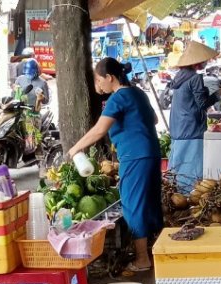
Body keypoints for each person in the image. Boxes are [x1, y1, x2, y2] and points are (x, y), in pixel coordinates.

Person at [67, 58, 162, 272]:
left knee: (133, 204)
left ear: (110, 78)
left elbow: (99, 130)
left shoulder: (117, 99)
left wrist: (75, 149)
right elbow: (154, 119)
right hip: (151, 153)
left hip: (134, 156)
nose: (99, 86)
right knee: (150, 201)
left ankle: (142, 259)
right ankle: (158, 251)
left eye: (100, 80)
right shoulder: (138, 93)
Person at [169, 41, 221, 194]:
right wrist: (216, 94)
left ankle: (180, 197)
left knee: (179, 168)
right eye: (204, 60)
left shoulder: (179, 76)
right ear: (196, 62)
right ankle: (190, 199)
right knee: (192, 173)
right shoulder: (195, 78)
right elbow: (202, 104)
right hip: (191, 129)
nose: (206, 62)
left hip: (178, 128)